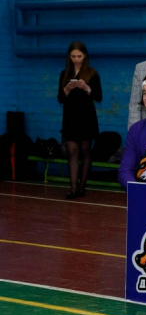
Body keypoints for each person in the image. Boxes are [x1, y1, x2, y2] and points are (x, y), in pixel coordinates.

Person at [57, 42, 102, 199]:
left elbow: (99, 97)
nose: (76, 59)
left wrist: (86, 88)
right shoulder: (64, 74)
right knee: (71, 151)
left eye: (79, 56)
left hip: (86, 117)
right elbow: (60, 99)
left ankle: (82, 186)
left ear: (85, 56)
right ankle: (73, 188)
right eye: (73, 56)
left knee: (85, 150)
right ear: (69, 57)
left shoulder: (92, 73)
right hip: (70, 117)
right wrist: (67, 89)